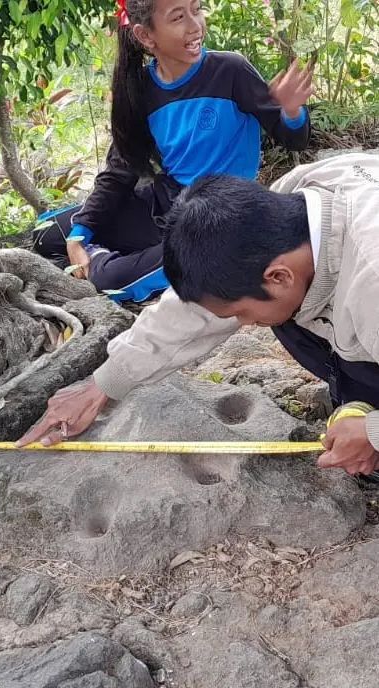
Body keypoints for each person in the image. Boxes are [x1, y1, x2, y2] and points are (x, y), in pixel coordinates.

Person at [19, 152, 379, 476]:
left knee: (274, 313)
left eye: (240, 314)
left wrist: (373, 433)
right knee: (275, 310)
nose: (241, 323)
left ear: (280, 276)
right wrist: (104, 383)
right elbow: (196, 309)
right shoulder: (291, 202)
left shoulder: (370, 281)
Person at [34, 0, 312, 303]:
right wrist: (79, 235)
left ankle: (107, 261)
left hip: (216, 218)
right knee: (48, 232)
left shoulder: (230, 71)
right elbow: (120, 171)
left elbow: (292, 138)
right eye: (179, 17)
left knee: (110, 280)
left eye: (197, 9)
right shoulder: (140, 89)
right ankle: (111, 253)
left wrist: (291, 112)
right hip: (164, 204)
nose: (195, 25)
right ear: (145, 36)